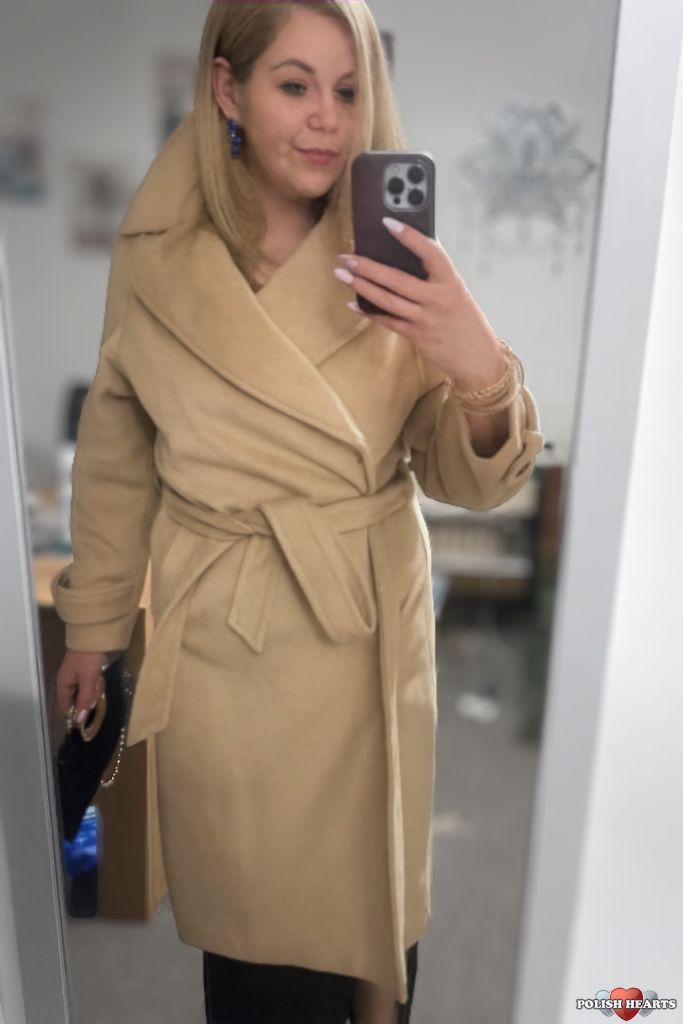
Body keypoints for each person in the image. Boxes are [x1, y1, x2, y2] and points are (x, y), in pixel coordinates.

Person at [52, 2, 545, 1022]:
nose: (327, 117)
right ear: (227, 90)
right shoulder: (156, 252)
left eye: (349, 89)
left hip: (362, 626)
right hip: (229, 641)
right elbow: (117, 447)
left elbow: (468, 478)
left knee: (372, 942)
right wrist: (93, 625)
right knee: (254, 955)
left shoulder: (395, 254)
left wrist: (476, 366)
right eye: (294, 84)